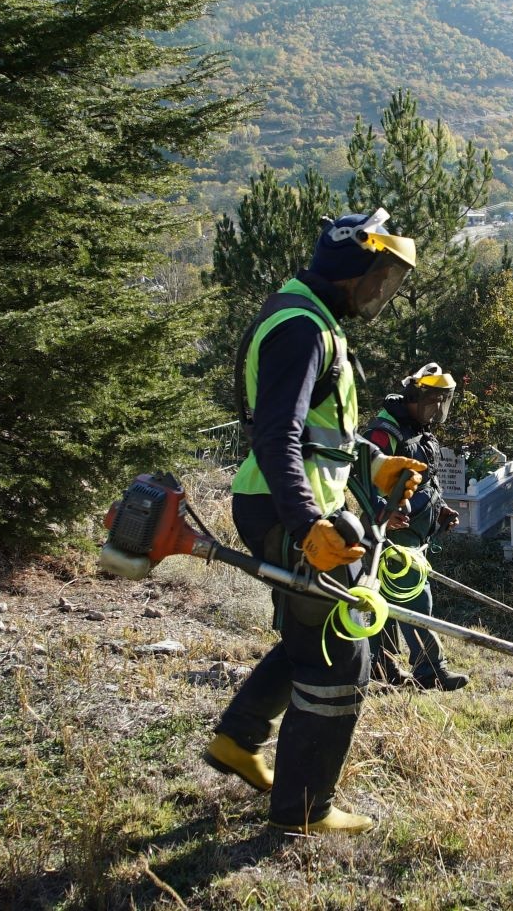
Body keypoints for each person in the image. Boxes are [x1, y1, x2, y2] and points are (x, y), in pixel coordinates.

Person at [205, 209, 428, 836]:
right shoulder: (301, 329)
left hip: (300, 505)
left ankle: (237, 741)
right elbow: (277, 437)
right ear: (348, 264)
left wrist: (377, 466)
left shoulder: (314, 322)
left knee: (310, 637)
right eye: (378, 276)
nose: (380, 292)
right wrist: (307, 525)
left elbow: (325, 438)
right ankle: (305, 812)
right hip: (285, 508)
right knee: (340, 656)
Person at [366, 363, 469, 692]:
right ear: (414, 397)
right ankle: (431, 671)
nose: (438, 409)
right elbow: (361, 476)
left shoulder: (418, 429)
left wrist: (442, 510)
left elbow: (426, 481)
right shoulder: (384, 432)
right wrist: (382, 509)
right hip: (392, 535)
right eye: (433, 401)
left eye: (443, 401)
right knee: (415, 601)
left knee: (385, 600)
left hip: (416, 533)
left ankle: (380, 665)